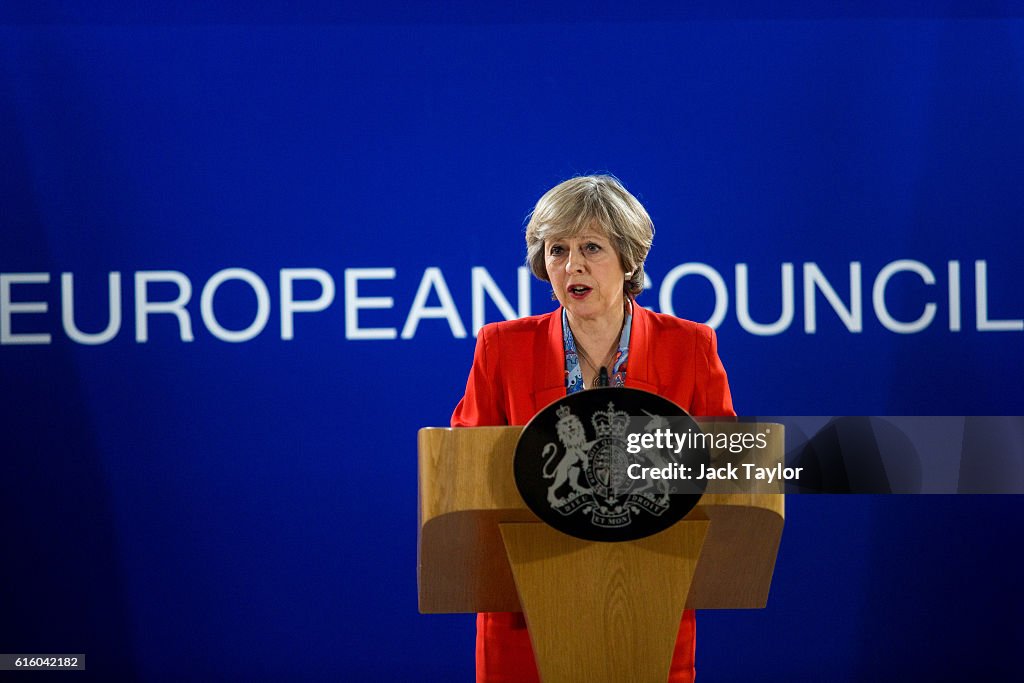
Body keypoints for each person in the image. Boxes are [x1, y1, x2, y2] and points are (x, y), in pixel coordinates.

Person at [451, 175, 735, 683]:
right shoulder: (501, 348)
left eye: (591, 248)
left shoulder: (689, 347)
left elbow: (726, 472)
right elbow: (461, 474)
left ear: (628, 259)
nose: (571, 265)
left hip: (649, 596)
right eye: (556, 250)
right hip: (527, 610)